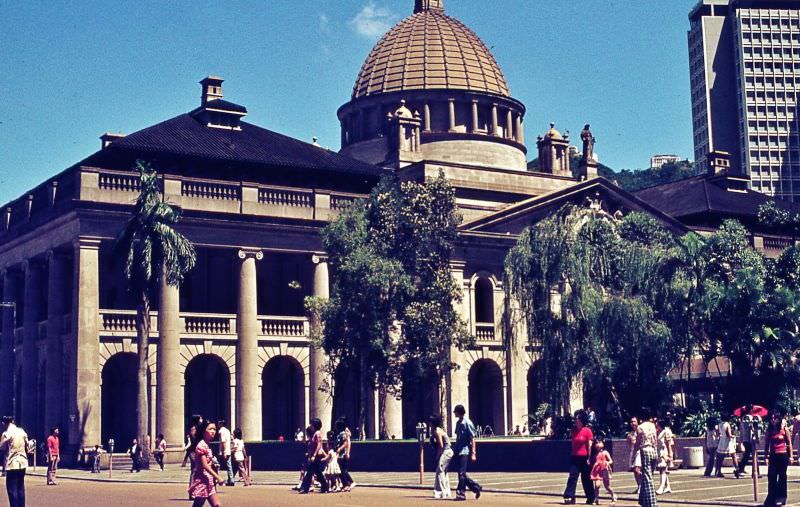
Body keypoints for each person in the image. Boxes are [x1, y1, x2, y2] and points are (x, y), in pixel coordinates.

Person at [189, 420, 224, 507]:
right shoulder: (202, 446)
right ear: (204, 431)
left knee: (217, 505)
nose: (213, 431)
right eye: (210, 429)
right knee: (197, 505)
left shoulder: (206, 444)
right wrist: (218, 477)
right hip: (203, 480)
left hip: (209, 481)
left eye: (214, 429)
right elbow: (204, 465)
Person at [563, 410, 594, 505]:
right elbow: (573, 443)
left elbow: (589, 446)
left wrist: (589, 458)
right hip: (575, 457)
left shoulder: (587, 431)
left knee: (586, 478)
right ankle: (569, 495)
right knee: (573, 476)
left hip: (585, 458)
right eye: (575, 418)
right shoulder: (573, 431)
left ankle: (590, 497)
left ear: (582, 420)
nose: (576, 420)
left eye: (577, 419)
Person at [453, 404, 482, 501]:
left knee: (461, 473)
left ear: (459, 412)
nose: (454, 413)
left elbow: (472, 438)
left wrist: (473, 453)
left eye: (455, 411)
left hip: (464, 451)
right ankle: (476, 487)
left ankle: (461, 492)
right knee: (462, 474)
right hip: (458, 450)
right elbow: (457, 438)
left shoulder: (467, 423)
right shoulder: (458, 423)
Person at [764, 410, 792, 507]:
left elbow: (789, 443)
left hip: (783, 455)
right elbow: (766, 443)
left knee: (782, 477)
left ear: (778, 419)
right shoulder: (770, 430)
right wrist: (766, 456)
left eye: (775, 418)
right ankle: (771, 497)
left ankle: (782, 497)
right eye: (771, 418)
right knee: (771, 476)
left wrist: (791, 456)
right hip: (773, 456)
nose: (773, 420)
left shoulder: (784, 429)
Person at [0, 416, 28, 507]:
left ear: (3, 423)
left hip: (12, 463)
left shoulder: (7, 433)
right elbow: (27, 445)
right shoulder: (21, 431)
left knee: (12, 490)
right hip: (23, 462)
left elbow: (2, 447)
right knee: (20, 488)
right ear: (12, 421)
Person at [633, 415, 659, 507]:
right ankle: (643, 500)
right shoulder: (652, 426)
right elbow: (655, 439)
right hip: (654, 450)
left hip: (645, 450)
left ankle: (652, 503)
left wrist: (634, 453)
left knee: (648, 478)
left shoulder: (640, 427)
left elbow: (638, 441)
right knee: (647, 476)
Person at [298, 418, 329, 494]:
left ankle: (304, 488)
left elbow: (319, 444)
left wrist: (314, 455)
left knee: (310, 472)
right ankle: (325, 487)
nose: (310, 425)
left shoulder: (317, 433)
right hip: (314, 456)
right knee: (317, 472)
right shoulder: (314, 433)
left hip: (316, 456)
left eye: (311, 424)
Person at [428, 414, 453, 500]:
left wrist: (438, 456)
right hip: (447, 451)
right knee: (443, 471)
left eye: (430, 422)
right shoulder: (435, 430)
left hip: (446, 451)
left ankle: (443, 491)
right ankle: (446, 491)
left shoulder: (437, 431)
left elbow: (441, 446)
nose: (429, 423)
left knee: (440, 470)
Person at [590, 439, 617, 505]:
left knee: (607, 486)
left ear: (603, 444)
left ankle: (613, 495)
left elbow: (611, 461)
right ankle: (596, 499)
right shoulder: (594, 453)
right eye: (596, 443)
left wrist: (607, 463)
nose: (597, 444)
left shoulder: (605, 452)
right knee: (597, 485)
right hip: (597, 471)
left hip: (604, 469)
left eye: (599, 442)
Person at [714, 414, 740, 479]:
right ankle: (737, 468)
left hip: (721, 441)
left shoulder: (719, 425)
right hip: (727, 441)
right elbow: (729, 434)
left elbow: (718, 434)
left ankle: (718, 471)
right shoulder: (727, 424)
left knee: (720, 457)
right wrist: (733, 435)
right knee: (733, 455)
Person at [739, 409, 761, 477]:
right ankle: (756, 471)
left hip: (746, 440)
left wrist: (741, 441)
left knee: (746, 455)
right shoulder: (751, 419)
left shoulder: (743, 420)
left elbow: (741, 432)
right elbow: (753, 429)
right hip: (751, 440)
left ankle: (740, 468)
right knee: (755, 456)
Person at [335, 418, 354, 492]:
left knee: (342, 470)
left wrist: (340, 449)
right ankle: (344, 484)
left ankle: (348, 484)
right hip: (339, 455)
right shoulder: (339, 434)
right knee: (340, 470)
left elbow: (346, 443)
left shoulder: (343, 434)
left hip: (342, 455)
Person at [655, 419, 674, 495]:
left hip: (664, 452)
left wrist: (670, 454)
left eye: (657, 424)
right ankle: (668, 486)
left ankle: (661, 487)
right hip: (658, 452)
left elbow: (669, 444)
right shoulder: (657, 432)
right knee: (662, 469)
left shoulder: (666, 432)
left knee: (663, 469)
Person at [627, 417, 642, 494]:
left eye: (634, 421)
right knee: (634, 471)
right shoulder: (630, 434)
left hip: (640, 452)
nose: (633, 423)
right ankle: (639, 486)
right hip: (633, 452)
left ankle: (642, 484)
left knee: (637, 470)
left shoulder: (641, 431)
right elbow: (629, 444)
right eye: (631, 421)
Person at [217, 420, 234, 486]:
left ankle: (217, 479)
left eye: (219, 424)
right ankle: (231, 480)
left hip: (223, 451)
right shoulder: (227, 430)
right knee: (229, 465)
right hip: (228, 450)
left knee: (217, 465)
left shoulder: (221, 431)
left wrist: (223, 451)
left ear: (221, 424)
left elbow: (223, 441)